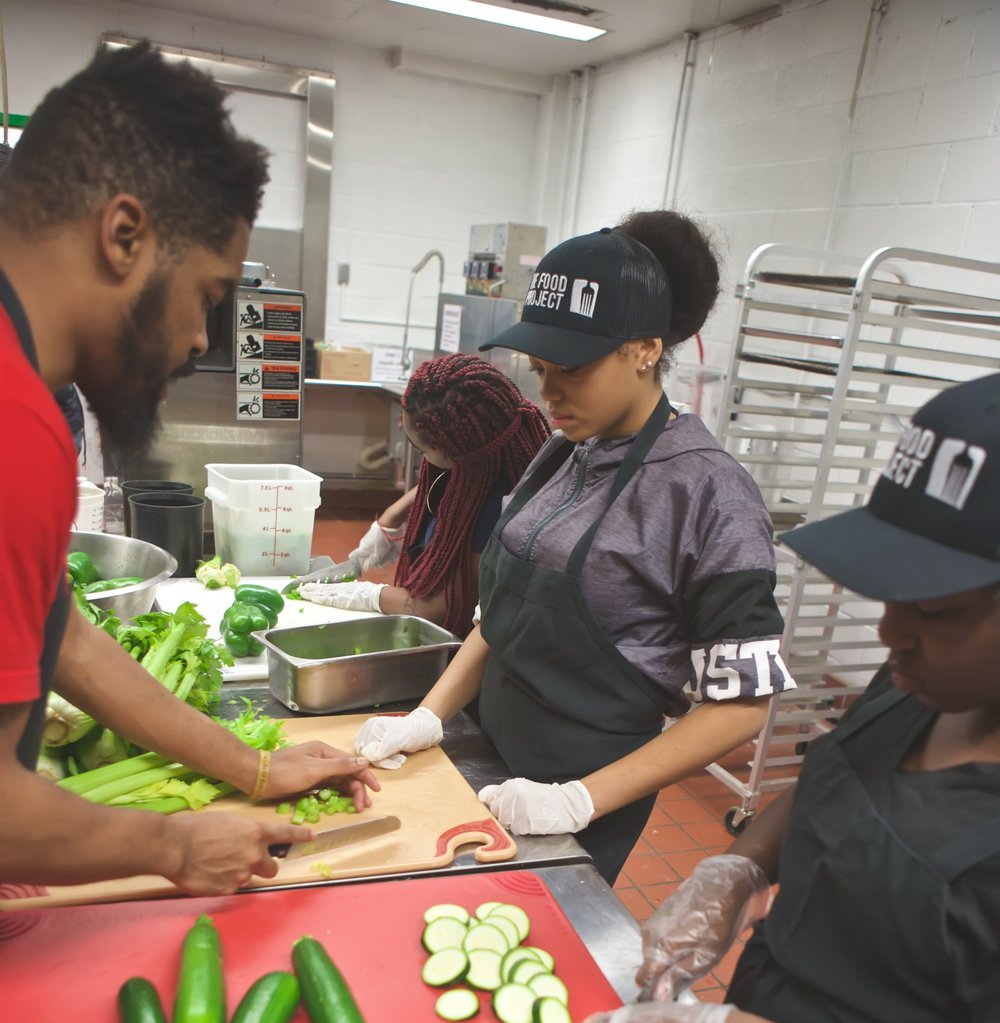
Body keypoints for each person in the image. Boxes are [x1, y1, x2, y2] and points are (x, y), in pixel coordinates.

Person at [542, 372, 1000, 1023]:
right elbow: (840, 776)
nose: (889, 633)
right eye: (891, 594)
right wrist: (736, 867)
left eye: (938, 610)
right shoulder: (926, 685)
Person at [0, 42, 377, 898]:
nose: (204, 339)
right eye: (209, 295)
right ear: (125, 234)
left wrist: (251, 769)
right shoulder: (14, 424)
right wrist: (174, 848)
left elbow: (61, 636)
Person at [355, 214, 792, 883]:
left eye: (571, 370)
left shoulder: (708, 492)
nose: (548, 393)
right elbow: (498, 615)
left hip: (582, 791)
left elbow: (741, 703)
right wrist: (428, 717)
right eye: (538, 369)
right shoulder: (562, 452)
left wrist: (577, 801)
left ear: (645, 349)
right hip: (487, 747)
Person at [298, 354, 551, 638]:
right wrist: (393, 518)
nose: (422, 461)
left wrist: (369, 595)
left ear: (458, 456)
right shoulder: (475, 469)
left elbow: (437, 608)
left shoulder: (498, 507)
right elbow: (441, 481)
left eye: (422, 451)